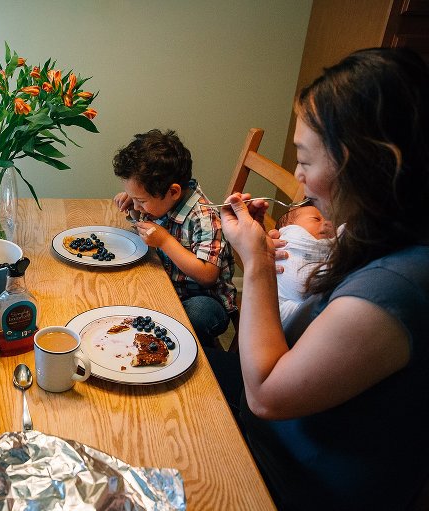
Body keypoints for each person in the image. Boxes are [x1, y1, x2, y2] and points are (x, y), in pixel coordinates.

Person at [218, 47, 429, 510]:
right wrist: (264, 266)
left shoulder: (396, 287)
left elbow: (268, 395)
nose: (298, 179)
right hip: (263, 440)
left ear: (366, 164)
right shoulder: (374, 229)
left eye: (306, 161)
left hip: (288, 484)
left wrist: (254, 265)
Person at [113, 129, 237, 346]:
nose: (138, 204)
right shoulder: (160, 202)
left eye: (140, 199)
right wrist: (134, 207)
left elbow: (208, 275)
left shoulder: (205, 218)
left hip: (205, 299)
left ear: (174, 192)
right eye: (133, 197)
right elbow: (145, 219)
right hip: (169, 286)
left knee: (200, 313)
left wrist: (165, 241)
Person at [274, 205, 334, 327]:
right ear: (290, 227)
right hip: (284, 309)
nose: (327, 223)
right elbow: (301, 285)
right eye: (317, 219)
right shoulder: (292, 241)